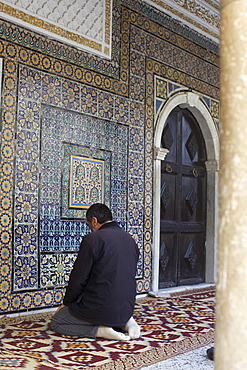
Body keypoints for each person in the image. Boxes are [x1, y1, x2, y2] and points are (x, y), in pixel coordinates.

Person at [51, 203, 140, 341]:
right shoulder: (130, 240)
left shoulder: (92, 239)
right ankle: (127, 322)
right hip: (126, 308)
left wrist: (67, 302)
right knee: (109, 303)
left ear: (94, 221)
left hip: (100, 307)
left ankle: (100, 331)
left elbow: (78, 278)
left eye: (89, 225)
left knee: (58, 321)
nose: (90, 228)